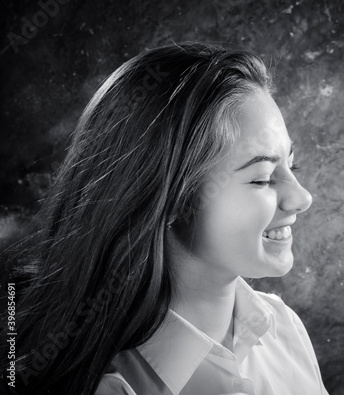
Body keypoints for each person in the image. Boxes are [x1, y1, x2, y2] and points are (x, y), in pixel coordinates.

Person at [9, 42, 328, 394]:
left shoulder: (284, 329)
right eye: (263, 178)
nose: (302, 198)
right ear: (169, 197)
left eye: (292, 164)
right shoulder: (113, 388)